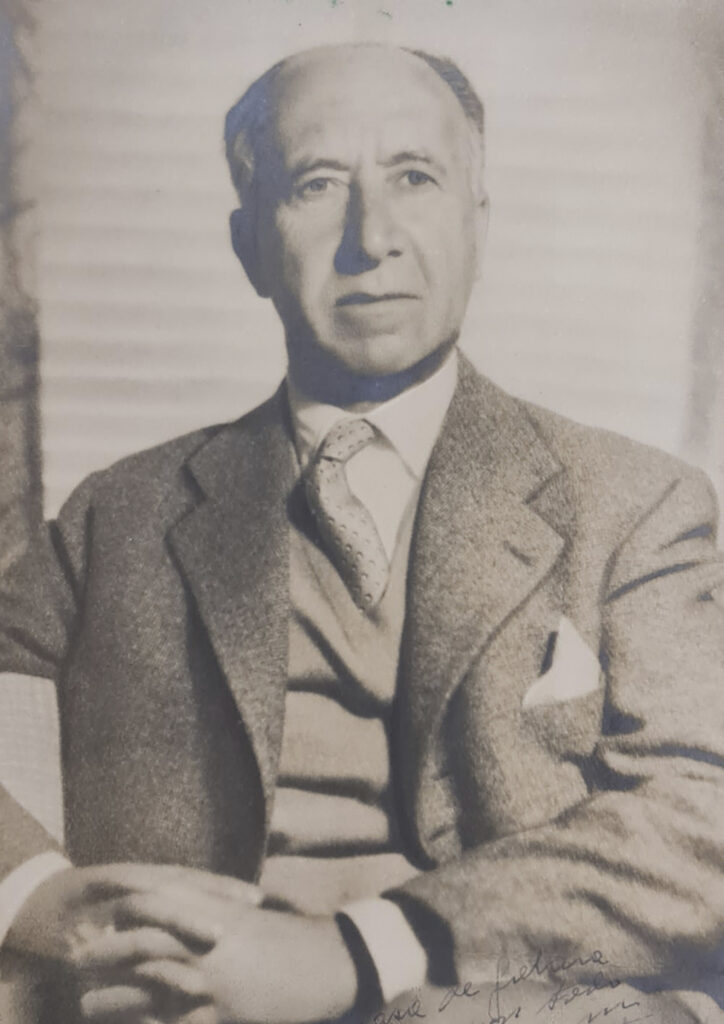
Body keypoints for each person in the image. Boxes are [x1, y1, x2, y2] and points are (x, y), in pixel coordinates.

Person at [0, 41, 723, 1024]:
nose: (371, 236)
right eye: (316, 185)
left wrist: (360, 950)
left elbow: (701, 816)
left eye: (414, 177)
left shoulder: (637, 506)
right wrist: (39, 897)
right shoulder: (113, 519)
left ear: (478, 223)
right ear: (248, 243)